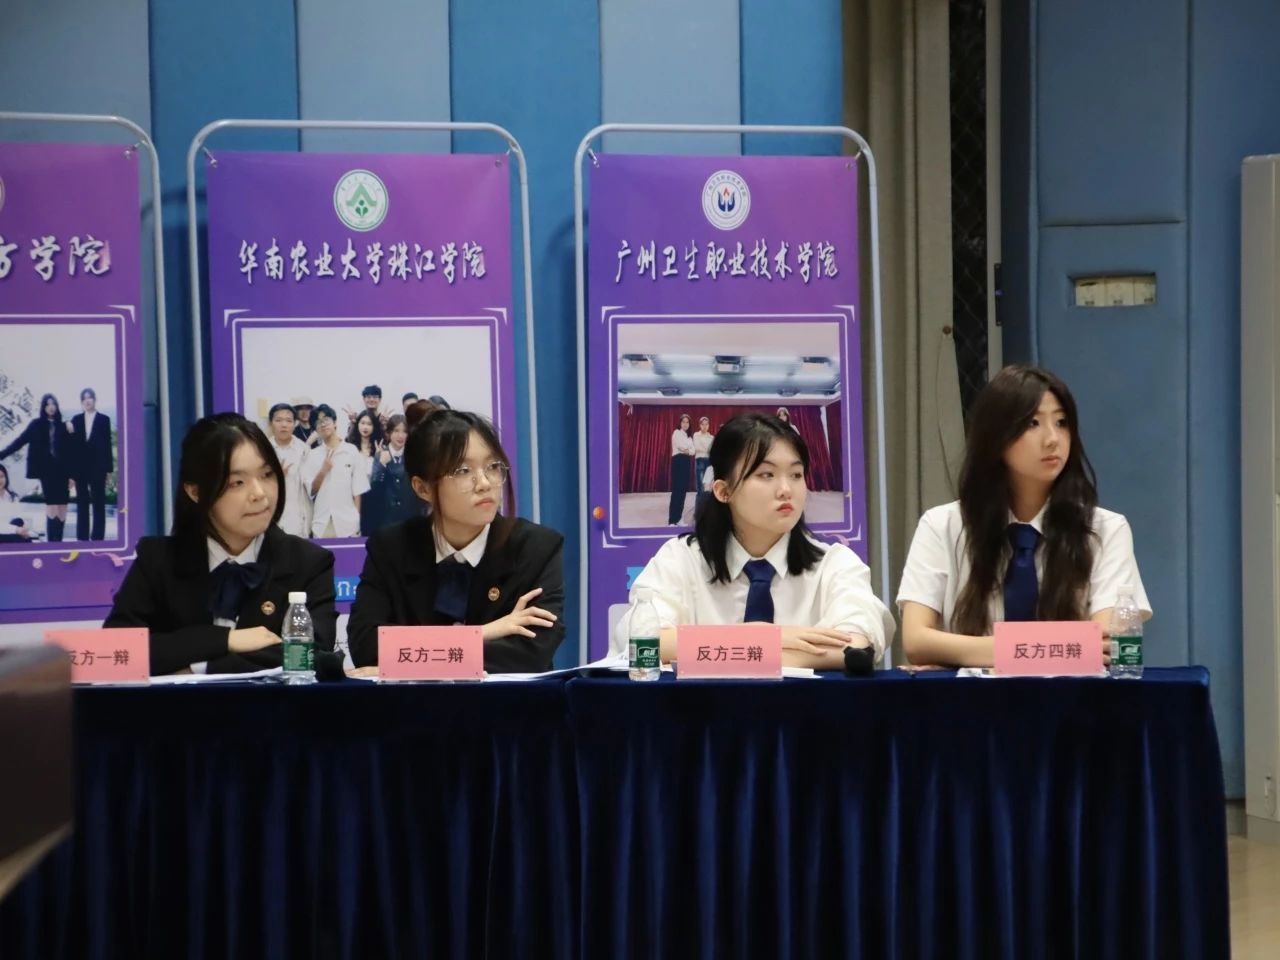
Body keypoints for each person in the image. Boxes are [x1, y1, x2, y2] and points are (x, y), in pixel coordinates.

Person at [897, 364, 1150, 667]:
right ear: (996, 436)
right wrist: (1059, 647)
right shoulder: (941, 526)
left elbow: (1107, 646)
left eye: (1062, 422)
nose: (1053, 439)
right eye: (1033, 423)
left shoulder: (1106, 529)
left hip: (1072, 696)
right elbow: (916, 641)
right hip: (970, 696)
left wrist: (963, 652)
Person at [613, 413, 893, 669]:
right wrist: (772, 638)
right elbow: (642, 642)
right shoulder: (681, 559)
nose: (786, 489)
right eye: (766, 475)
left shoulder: (834, 563)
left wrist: (740, 649)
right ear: (723, 491)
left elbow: (856, 647)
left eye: (796, 475)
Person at [103, 413, 337, 675]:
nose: (259, 493)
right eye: (237, 482)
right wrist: (225, 640)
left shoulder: (308, 562)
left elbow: (314, 655)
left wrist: (198, 667)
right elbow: (116, 651)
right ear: (196, 492)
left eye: (267, 474)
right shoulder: (158, 560)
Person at [347, 408, 565, 673]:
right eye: (463, 471)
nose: (484, 483)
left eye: (493, 467)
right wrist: (483, 633)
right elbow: (367, 646)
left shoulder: (535, 548)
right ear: (423, 488)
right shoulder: (391, 547)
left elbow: (531, 653)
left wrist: (409, 660)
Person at [0, 393, 73, 542]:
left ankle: (58, 541)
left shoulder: (63, 425)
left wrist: (72, 475)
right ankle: (52, 543)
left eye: (53, 404)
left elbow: (71, 452)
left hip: (63, 471)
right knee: (52, 504)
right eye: (48, 404)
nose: (51, 407)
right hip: (47, 471)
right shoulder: (36, 424)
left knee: (62, 506)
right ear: (43, 407)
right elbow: (19, 441)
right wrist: (1, 455)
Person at [301, 403, 370, 538]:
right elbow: (311, 491)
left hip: (348, 523)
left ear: (335, 422)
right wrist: (323, 471)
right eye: (318, 422)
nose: (323, 424)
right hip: (322, 523)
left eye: (326, 420)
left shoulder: (351, 451)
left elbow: (357, 490)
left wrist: (356, 518)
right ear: (316, 429)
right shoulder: (313, 455)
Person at [68, 387, 113, 541]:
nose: (87, 401)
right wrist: (71, 473)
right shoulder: (76, 419)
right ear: (81, 402)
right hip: (80, 468)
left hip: (98, 467)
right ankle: (82, 538)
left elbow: (107, 445)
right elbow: (72, 447)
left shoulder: (104, 419)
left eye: (90, 397)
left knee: (98, 503)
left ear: (94, 400)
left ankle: (98, 538)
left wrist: (108, 470)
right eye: (84, 398)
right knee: (82, 503)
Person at [363, 413, 420, 534]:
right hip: (385, 519)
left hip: (409, 519)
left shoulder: (413, 455)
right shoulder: (380, 454)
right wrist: (382, 465)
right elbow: (374, 487)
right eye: (396, 431)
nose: (401, 436)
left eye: (404, 431)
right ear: (388, 433)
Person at [266, 403, 312, 537]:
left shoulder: (304, 449)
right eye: (278, 420)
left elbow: (310, 486)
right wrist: (276, 476)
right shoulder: (263, 449)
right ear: (271, 423)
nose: (284, 425)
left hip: (297, 517)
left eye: (288, 421)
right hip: (270, 515)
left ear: (295, 423)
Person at [667, 413, 696, 525]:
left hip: (686, 462)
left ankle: (678, 519)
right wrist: (688, 449)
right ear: (680, 423)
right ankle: (672, 520)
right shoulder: (676, 433)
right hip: (678, 461)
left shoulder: (689, 437)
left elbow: (693, 451)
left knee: (683, 491)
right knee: (676, 491)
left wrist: (687, 450)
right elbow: (680, 447)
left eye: (687, 422)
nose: (685, 424)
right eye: (683, 422)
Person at [0, 463, 35, 543]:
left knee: (19, 521)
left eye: (1, 477)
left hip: (13, 532)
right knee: (20, 538)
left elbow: (19, 517)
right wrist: (16, 530)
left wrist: (24, 528)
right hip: (6, 532)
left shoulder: (13, 497)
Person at [346, 408, 384, 482]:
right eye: (362, 423)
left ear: (374, 427)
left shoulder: (379, 448)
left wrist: (379, 457)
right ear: (357, 424)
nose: (365, 427)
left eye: (369, 424)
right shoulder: (350, 446)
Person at [693, 416, 714, 495]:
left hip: (709, 461)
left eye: (706, 424)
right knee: (700, 484)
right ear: (700, 425)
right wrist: (707, 448)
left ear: (708, 425)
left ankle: (706, 502)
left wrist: (705, 448)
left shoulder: (711, 437)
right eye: (703, 424)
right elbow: (697, 447)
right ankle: (700, 502)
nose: (705, 426)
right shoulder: (696, 435)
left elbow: (712, 450)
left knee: (708, 485)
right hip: (700, 460)